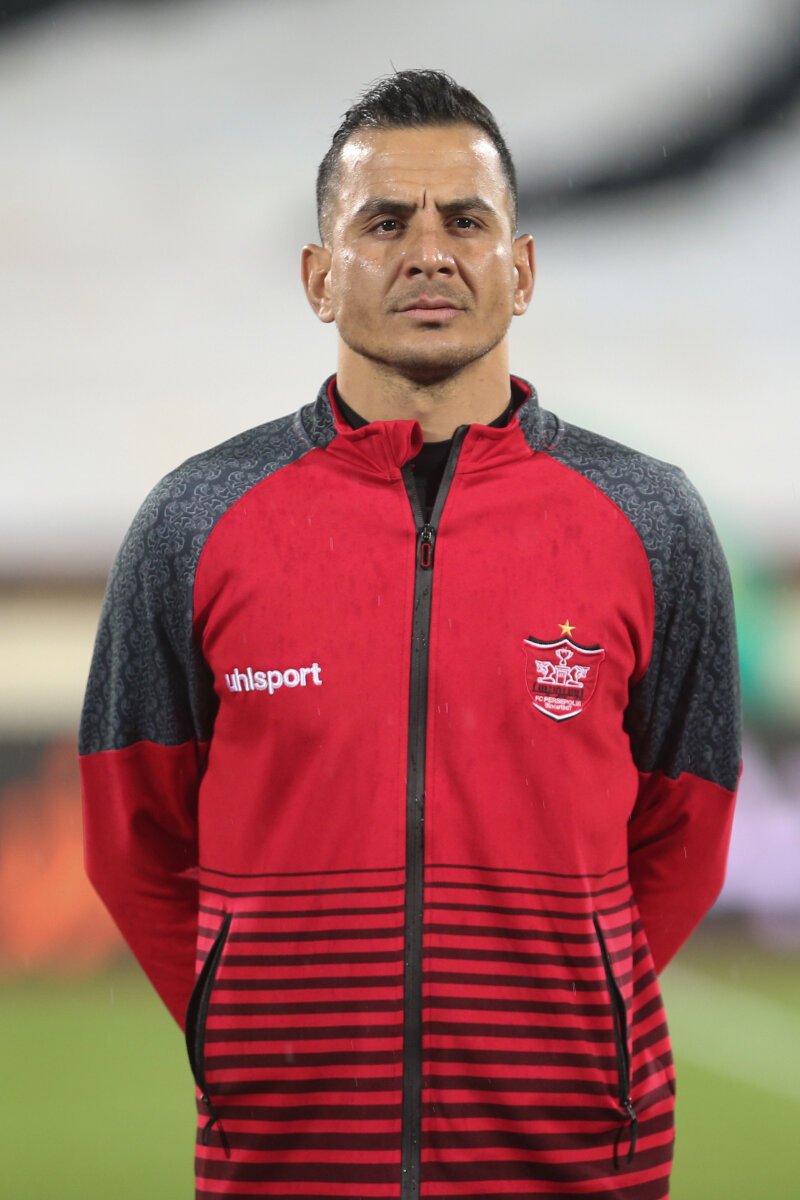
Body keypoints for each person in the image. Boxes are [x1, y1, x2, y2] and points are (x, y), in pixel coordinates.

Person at [79, 69, 741, 1200]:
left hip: (578, 1157)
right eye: (384, 223)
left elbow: (687, 828)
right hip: (288, 1162)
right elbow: (131, 838)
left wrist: (573, 1018)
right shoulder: (193, 519)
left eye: (464, 222)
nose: (429, 253)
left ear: (520, 270)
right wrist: (245, 1034)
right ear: (318, 276)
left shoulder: (653, 519)